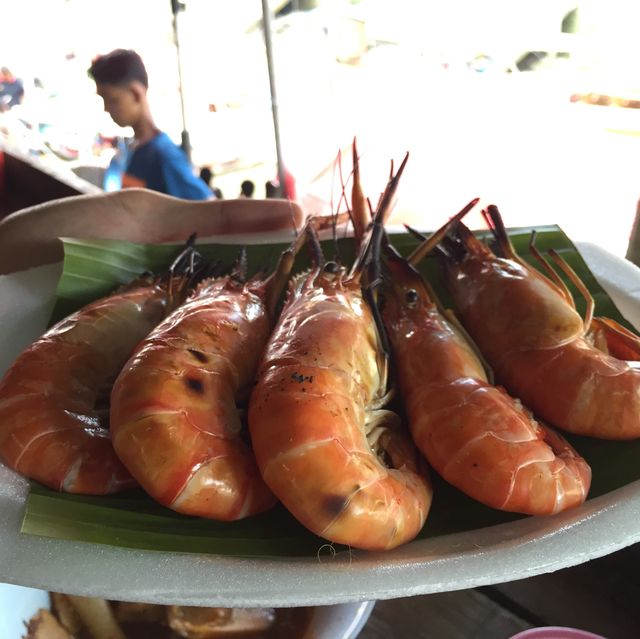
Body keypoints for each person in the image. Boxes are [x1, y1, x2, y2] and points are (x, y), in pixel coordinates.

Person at [88, 49, 212, 200]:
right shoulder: (130, 150)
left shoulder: (164, 155)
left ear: (136, 93)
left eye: (112, 99)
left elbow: (206, 204)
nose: (106, 108)